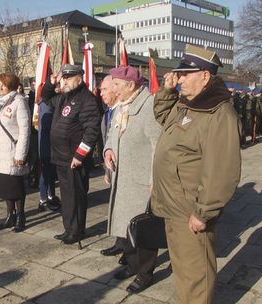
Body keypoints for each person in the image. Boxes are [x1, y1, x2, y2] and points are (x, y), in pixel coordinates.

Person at [152, 44, 241, 304]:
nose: (179, 79)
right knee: (184, 272)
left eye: (184, 75)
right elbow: (162, 115)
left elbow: (222, 171)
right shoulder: (188, 104)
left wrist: (204, 212)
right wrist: (167, 90)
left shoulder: (219, 114)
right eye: (178, 75)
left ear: (204, 76)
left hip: (191, 209)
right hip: (175, 204)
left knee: (196, 276)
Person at [103, 66, 162, 293]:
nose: (113, 89)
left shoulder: (149, 107)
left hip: (140, 182)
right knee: (124, 229)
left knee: (142, 231)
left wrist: (154, 181)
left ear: (130, 85)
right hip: (122, 178)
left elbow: (159, 147)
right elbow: (112, 134)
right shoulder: (124, 105)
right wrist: (108, 150)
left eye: (117, 85)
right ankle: (131, 264)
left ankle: (145, 273)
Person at [41, 64, 101, 244]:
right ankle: (69, 228)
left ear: (79, 78)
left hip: (74, 159)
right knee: (67, 197)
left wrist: (80, 156)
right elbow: (46, 98)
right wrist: (50, 84)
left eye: (67, 78)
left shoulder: (87, 100)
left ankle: (77, 231)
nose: (64, 81)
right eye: (63, 78)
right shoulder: (65, 97)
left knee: (76, 196)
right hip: (60, 156)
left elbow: (92, 131)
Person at [0, 73, 30, 232]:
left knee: (15, 187)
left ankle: (20, 216)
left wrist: (20, 155)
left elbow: (25, 130)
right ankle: (9, 216)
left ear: (11, 85)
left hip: (12, 151)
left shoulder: (19, 101)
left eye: (2, 85)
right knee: (4, 187)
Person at [97, 75, 125, 262]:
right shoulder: (109, 111)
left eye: (105, 89)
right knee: (116, 205)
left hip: (125, 169)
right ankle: (120, 243)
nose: (101, 93)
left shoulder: (123, 111)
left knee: (124, 207)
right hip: (112, 167)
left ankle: (127, 246)